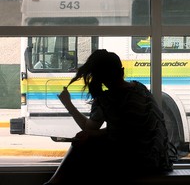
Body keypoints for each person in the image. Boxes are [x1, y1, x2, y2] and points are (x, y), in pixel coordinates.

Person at [43, 49, 176, 185]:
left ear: (100, 78)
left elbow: (88, 128)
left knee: (81, 143)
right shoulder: (140, 89)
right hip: (160, 161)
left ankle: (54, 182)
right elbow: (128, 130)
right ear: (122, 71)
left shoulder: (107, 100)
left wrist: (68, 104)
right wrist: (92, 135)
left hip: (136, 163)